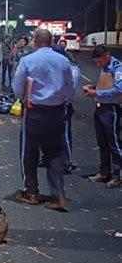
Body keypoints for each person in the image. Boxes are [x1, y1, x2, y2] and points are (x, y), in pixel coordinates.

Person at [12, 29, 74, 211]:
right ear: (51, 41)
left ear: (35, 42)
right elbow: (70, 88)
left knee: (29, 153)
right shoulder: (63, 61)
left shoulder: (28, 60)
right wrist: (64, 102)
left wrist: (24, 99)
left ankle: (31, 192)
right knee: (55, 153)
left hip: (34, 112)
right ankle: (57, 195)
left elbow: (17, 87)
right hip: (56, 113)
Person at [83, 45, 122, 189]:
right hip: (100, 108)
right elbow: (105, 85)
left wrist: (97, 93)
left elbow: (119, 88)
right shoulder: (105, 68)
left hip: (111, 109)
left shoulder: (117, 68)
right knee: (102, 143)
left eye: (100, 62)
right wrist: (94, 87)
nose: (98, 65)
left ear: (107, 55)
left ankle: (118, 175)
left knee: (114, 143)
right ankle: (104, 172)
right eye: (97, 63)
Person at [51, 39, 81, 172]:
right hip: (52, 105)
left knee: (64, 135)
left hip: (63, 106)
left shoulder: (72, 69)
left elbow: (70, 88)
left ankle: (67, 162)